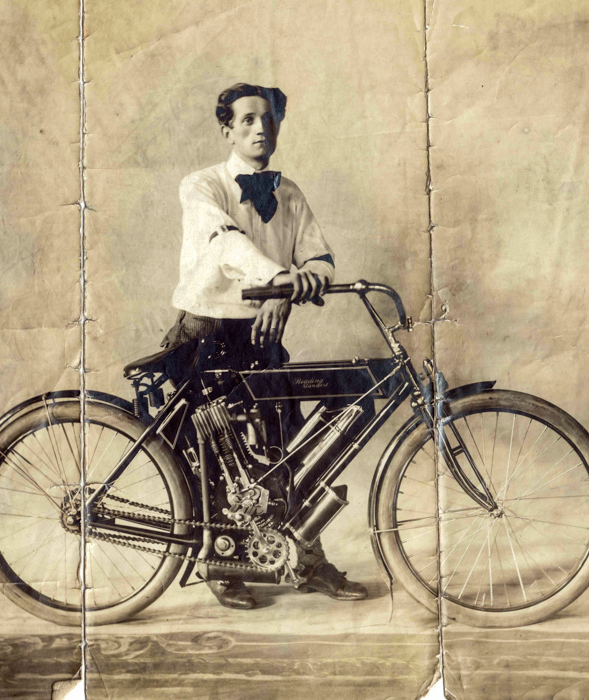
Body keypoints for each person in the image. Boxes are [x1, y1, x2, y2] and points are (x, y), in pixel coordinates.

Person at [160, 83, 368, 610]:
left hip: (262, 337)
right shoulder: (202, 186)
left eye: (269, 120)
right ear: (227, 129)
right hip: (206, 333)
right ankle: (219, 563)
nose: (260, 129)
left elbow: (319, 258)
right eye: (248, 120)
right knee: (213, 457)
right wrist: (280, 282)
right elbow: (228, 244)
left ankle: (306, 560)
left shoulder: (289, 192)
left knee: (288, 454)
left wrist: (294, 287)